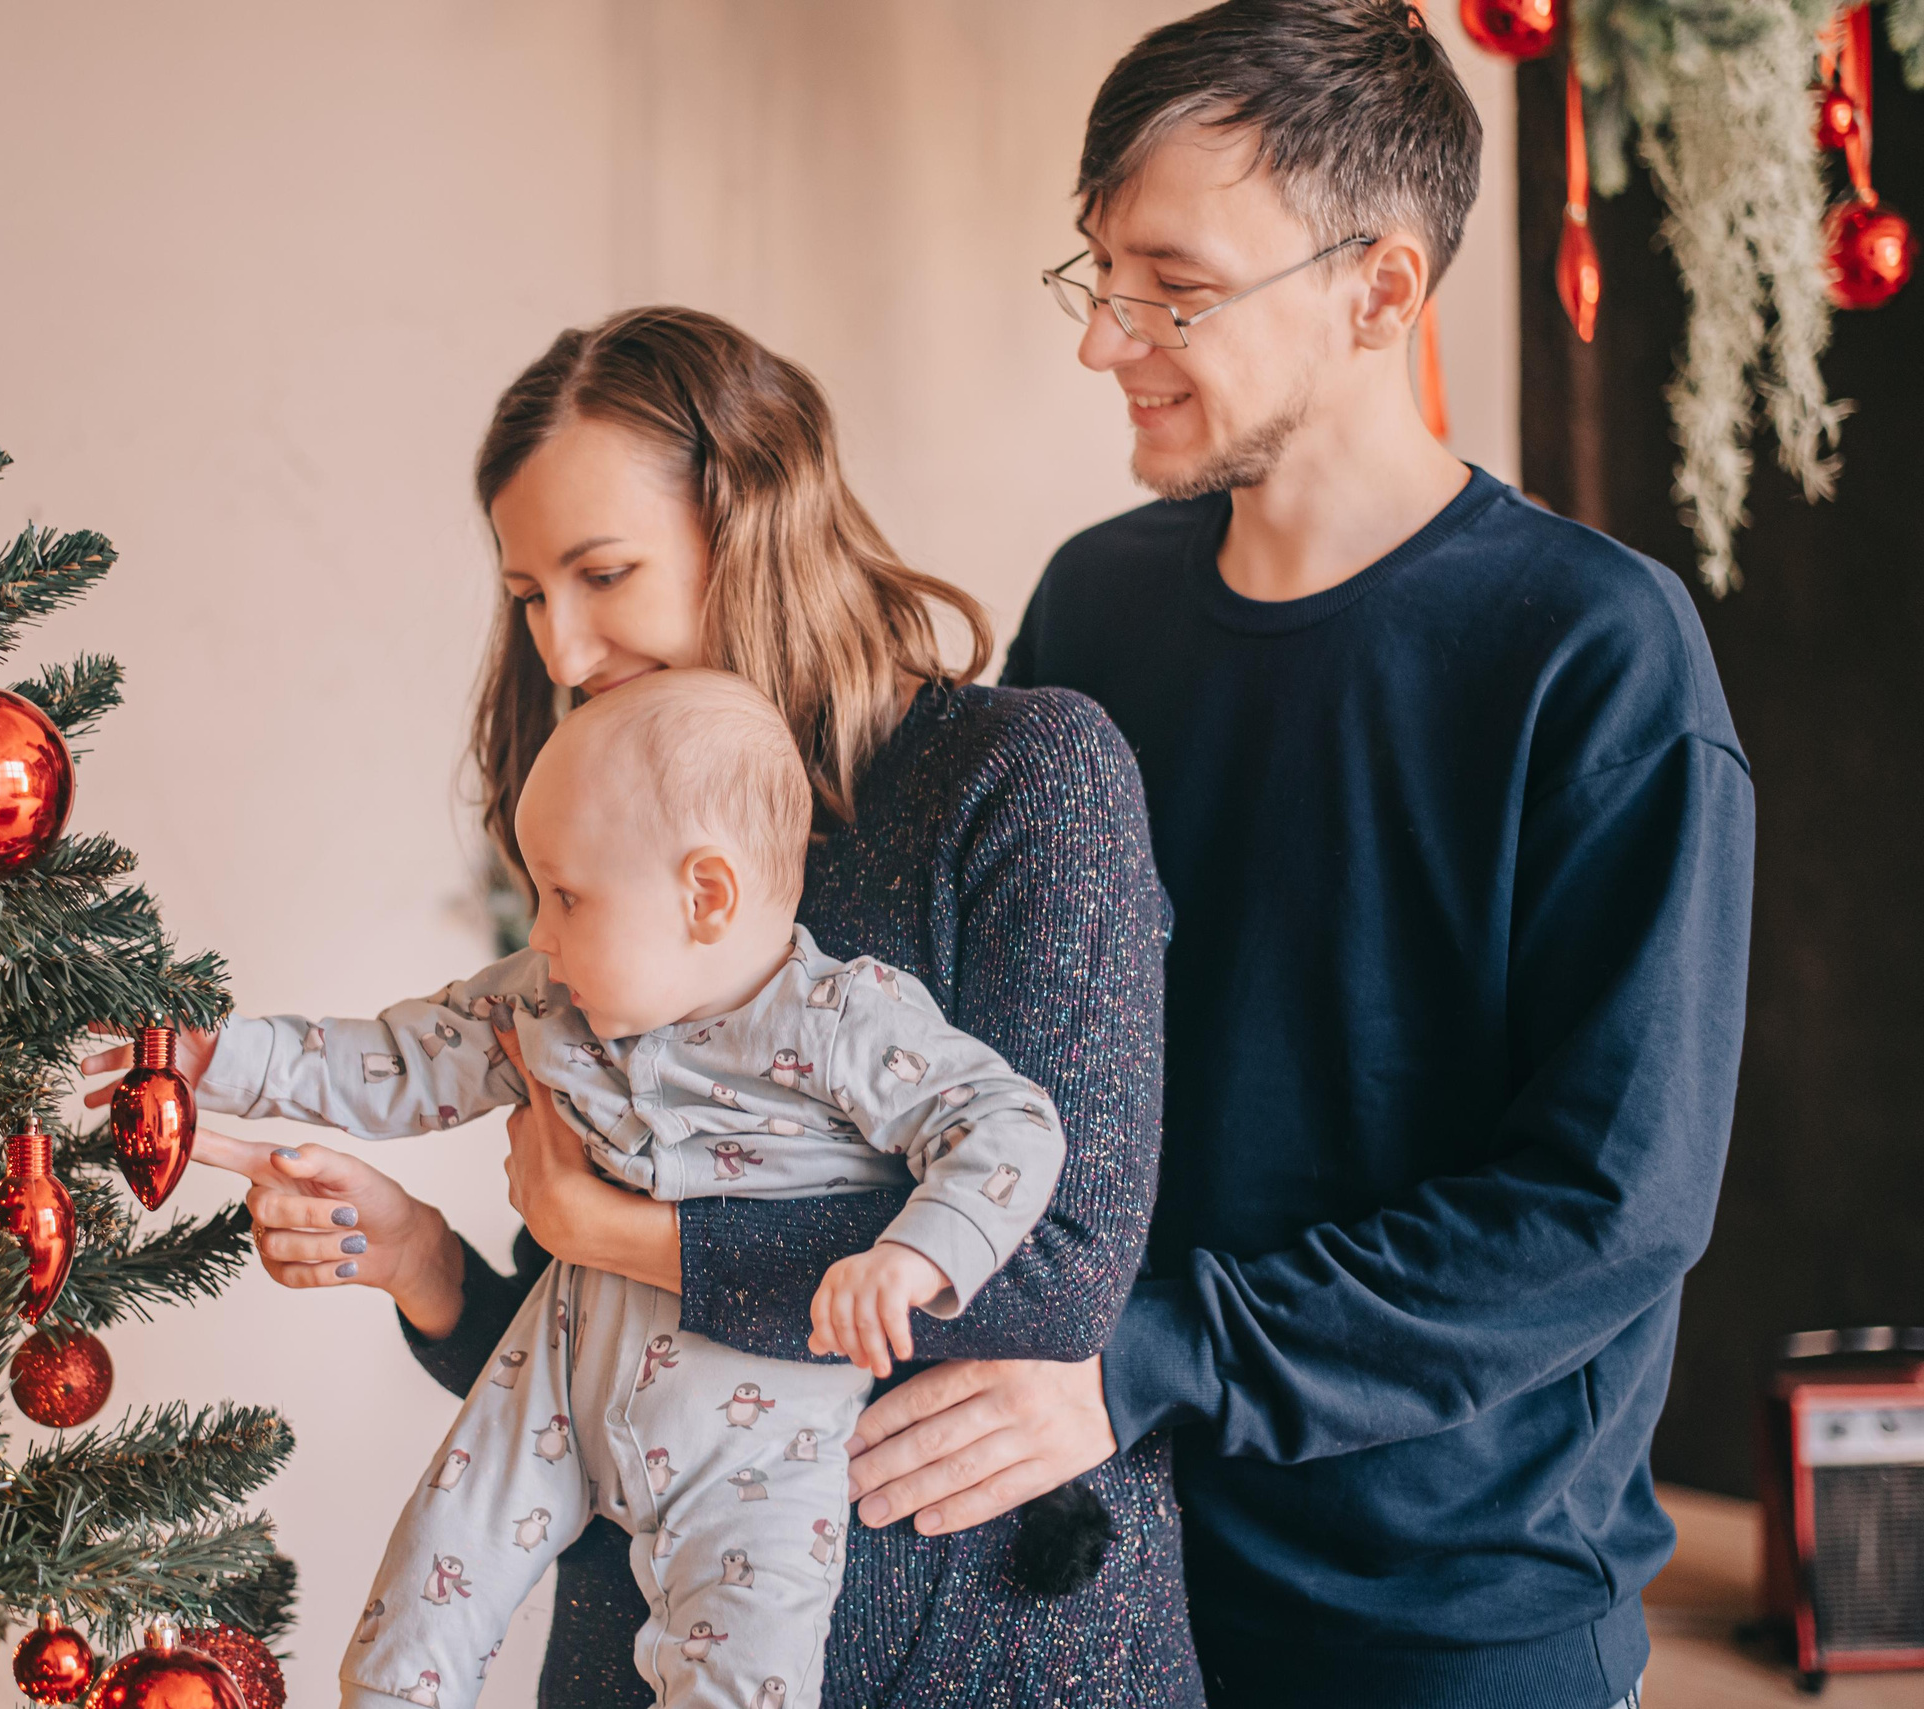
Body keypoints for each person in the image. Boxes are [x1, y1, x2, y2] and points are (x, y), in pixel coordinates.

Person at [89, 307, 1201, 1706]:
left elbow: (1057, 1267)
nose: (562, 648)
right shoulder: (602, 825)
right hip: (631, 1650)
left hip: (980, 1643)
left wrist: (622, 1230)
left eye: (602, 573)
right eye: (527, 594)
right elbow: (606, 1375)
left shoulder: (1017, 775)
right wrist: (423, 1262)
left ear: (755, 520)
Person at [985, 4, 1755, 1706]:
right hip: (1102, 1558)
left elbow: (1606, 1204)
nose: (1106, 338)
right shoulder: (1092, 606)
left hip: (1450, 1621)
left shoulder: (1592, 653)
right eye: (1098, 272)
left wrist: (1161, 1354)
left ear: (1381, 291)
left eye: (1173, 286)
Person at [196, 669, 1071, 1709]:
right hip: (554, 1374)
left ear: (706, 896)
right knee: (426, 1591)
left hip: (761, 1444)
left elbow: (1008, 1123)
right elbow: (395, 1055)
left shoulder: (846, 1019)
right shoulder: (548, 1000)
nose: (540, 932)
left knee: (744, 1673)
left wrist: (914, 1256)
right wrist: (218, 1058)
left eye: (566, 896)